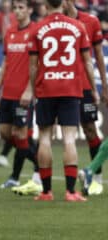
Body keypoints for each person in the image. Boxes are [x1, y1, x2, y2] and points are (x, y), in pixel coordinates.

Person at [21, 0, 100, 201]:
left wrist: (33, 90)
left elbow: (32, 66)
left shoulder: (37, 28)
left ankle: (46, 192)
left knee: (45, 138)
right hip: (70, 89)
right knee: (69, 139)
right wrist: (94, 89)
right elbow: (88, 62)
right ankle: (70, 191)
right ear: (63, 5)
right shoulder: (78, 26)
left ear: (45, 5)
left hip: (46, 89)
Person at [0, 0, 41, 195]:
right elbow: (5, 62)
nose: (18, 11)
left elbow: (36, 65)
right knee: (6, 134)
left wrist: (29, 90)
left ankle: (15, 177)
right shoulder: (10, 33)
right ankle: (40, 163)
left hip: (23, 96)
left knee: (20, 135)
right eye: (15, 8)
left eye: (21, 8)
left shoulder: (35, 32)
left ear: (29, 10)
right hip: (7, 94)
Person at [63, 0, 108, 196]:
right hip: (61, 87)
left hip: (85, 87)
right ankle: (39, 180)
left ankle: (96, 177)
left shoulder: (90, 21)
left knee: (90, 130)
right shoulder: (51, 25)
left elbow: (98, 55)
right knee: (48, 131)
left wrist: (104, 86)